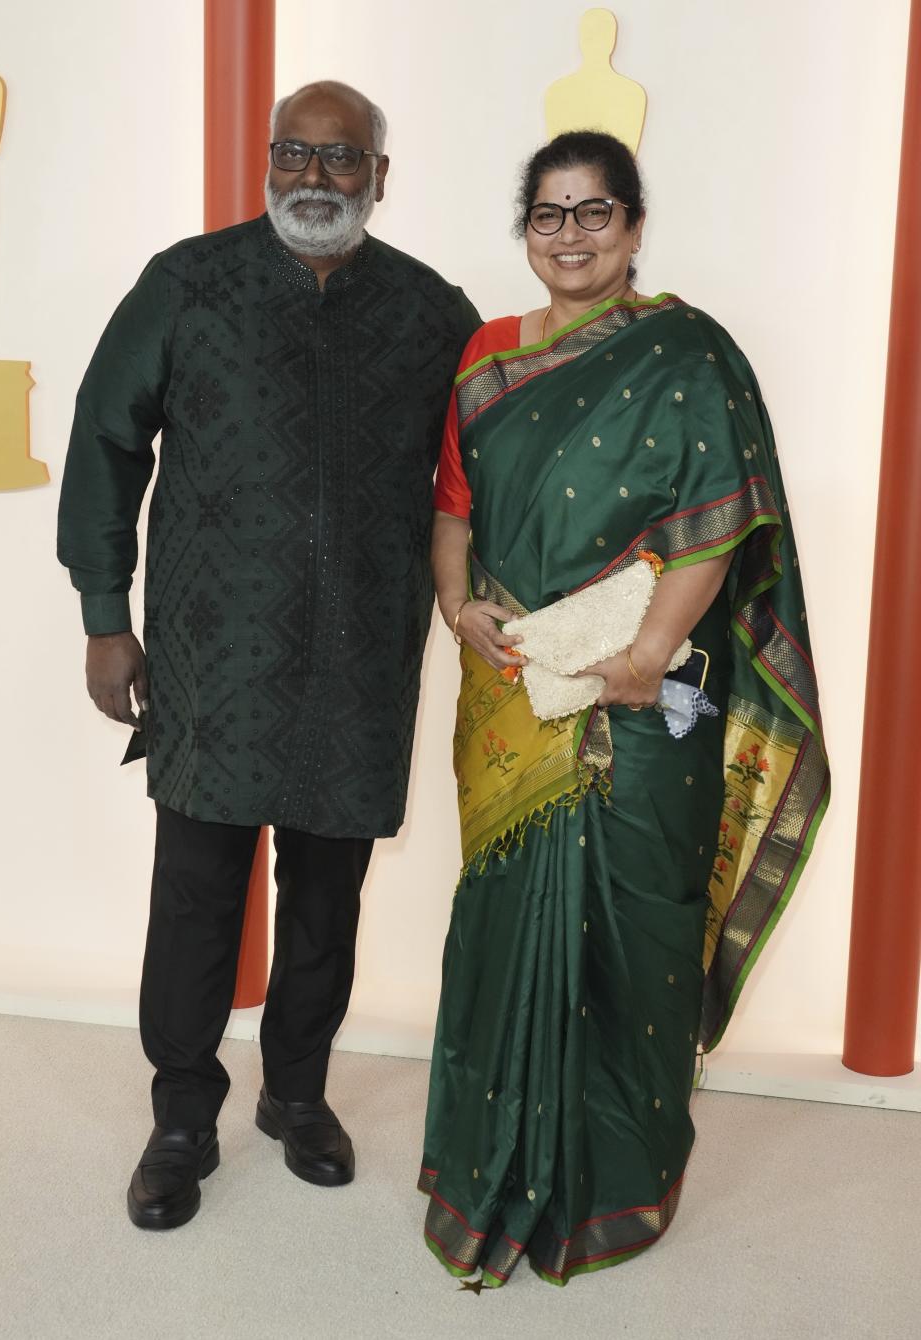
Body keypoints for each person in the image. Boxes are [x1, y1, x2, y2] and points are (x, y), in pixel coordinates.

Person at [57, 80, 480, 1231]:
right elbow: (106, 438)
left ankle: (297, 1093)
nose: (313, 176)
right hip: (209, 657)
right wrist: (107, 612)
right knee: (196, 894)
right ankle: (183, 1113)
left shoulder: (434, 312)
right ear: (268, 163)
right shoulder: (188, 283)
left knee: (327, 897)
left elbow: (486, 465)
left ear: (380, 178)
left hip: (358, 664)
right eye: (293, 152)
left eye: (342, 159)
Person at [421, 130, 829, 1287]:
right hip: (510, 691)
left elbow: (723, 511)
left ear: (636, 226)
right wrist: (457, 607)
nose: (571, 235)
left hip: (643, 700)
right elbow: (452, 505)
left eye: (594, 213)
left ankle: (619, 1181)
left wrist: (650, 650)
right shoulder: (487, 358)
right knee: (503, 925)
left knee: (636, 927)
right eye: (549, 215)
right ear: (527, 232)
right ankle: (489, 1167)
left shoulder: (689, 353)